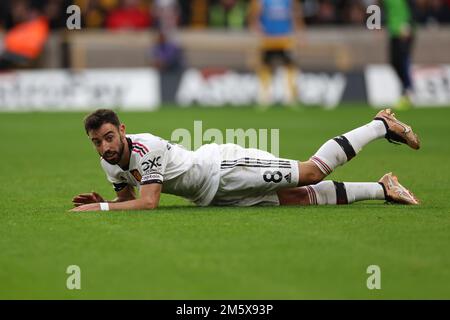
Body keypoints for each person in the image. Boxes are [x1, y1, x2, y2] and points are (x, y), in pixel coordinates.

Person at [71, 108, 420, 212]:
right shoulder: (109, 163)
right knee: (298, 199)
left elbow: (148, 204)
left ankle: (380, 125)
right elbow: (127, 200)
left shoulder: (145, 149)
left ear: (123, 130)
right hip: (215, 195)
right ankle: (383, 189)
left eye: (109, 137)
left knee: (311, 173)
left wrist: (97, 212)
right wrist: (108, 201)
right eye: (96, 142)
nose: (104, 147)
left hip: (226, 169)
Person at [249, 0, 305, 107]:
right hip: (268, 38)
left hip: (286, 38)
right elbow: (254, 15)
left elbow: (296, 14)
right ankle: (264, 97)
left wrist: (300, 32)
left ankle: (291, 97)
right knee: (265, 65)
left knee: (290, 65)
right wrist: (256, 29)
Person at [383, 0, 417, 110]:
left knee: (403, 60)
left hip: (404, 29)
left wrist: (408, 25)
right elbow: (381, 9)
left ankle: (408, 92)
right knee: (394, 61)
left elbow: (412, 6)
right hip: (393, 30)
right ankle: (407, 90)